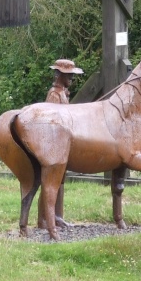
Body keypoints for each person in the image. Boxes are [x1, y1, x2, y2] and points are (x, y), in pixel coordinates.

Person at [44, 58, 83, 229]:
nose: (72, 79)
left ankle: (57, 216)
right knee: (50, 182)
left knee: (60, 181)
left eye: (73, 76)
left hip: (61, 143)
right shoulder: (54, 95)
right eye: (69, 76)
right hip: (54, 144)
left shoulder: (62, 94)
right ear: (59, 75)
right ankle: (46, 218)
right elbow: (51, 119)